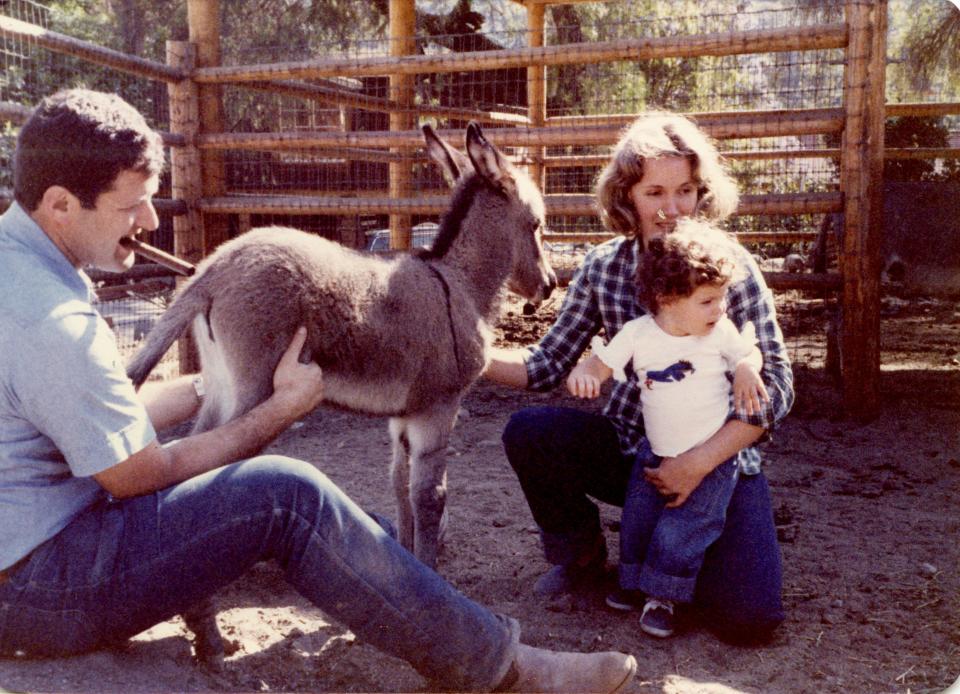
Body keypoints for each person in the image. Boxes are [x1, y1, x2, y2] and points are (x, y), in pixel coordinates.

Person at [0, 88, 638, 693]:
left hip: (28, 558)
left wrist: (208, 388)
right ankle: (502, 665)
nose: (148, 221)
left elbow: (81, 423)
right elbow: (134, 473)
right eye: (132, 202)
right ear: (60, 204)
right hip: (41, 587)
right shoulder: (48, 316)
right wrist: (278, 408)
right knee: (291, 493)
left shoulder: (20, 270)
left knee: (366, 529)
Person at [486, 112, 795, 645]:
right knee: (531, 431)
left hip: (719, 462)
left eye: (686, 191)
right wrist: (467, 355)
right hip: (637, 455)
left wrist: (696, 464)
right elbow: (546, 365)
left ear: (703, 193)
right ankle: (582, 556)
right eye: (655, 192)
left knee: (750, 621)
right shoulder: (604, 266)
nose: (671, 209)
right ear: (626, 196)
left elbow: (779, 389)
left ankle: (679, 554)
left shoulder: (731, 266)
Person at [566, 219, 770, 638]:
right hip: (654, 451)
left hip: (711, 461)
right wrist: (586, 373)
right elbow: (601, 362)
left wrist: (748, 369)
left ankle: (666, 598)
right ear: (668, 298)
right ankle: (635, 583)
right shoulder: (638, 333)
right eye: (708, 301)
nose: (721, 309)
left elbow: (748, 354)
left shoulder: (720, 334)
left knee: (683, 529)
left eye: (722, 298)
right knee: (639, 520)